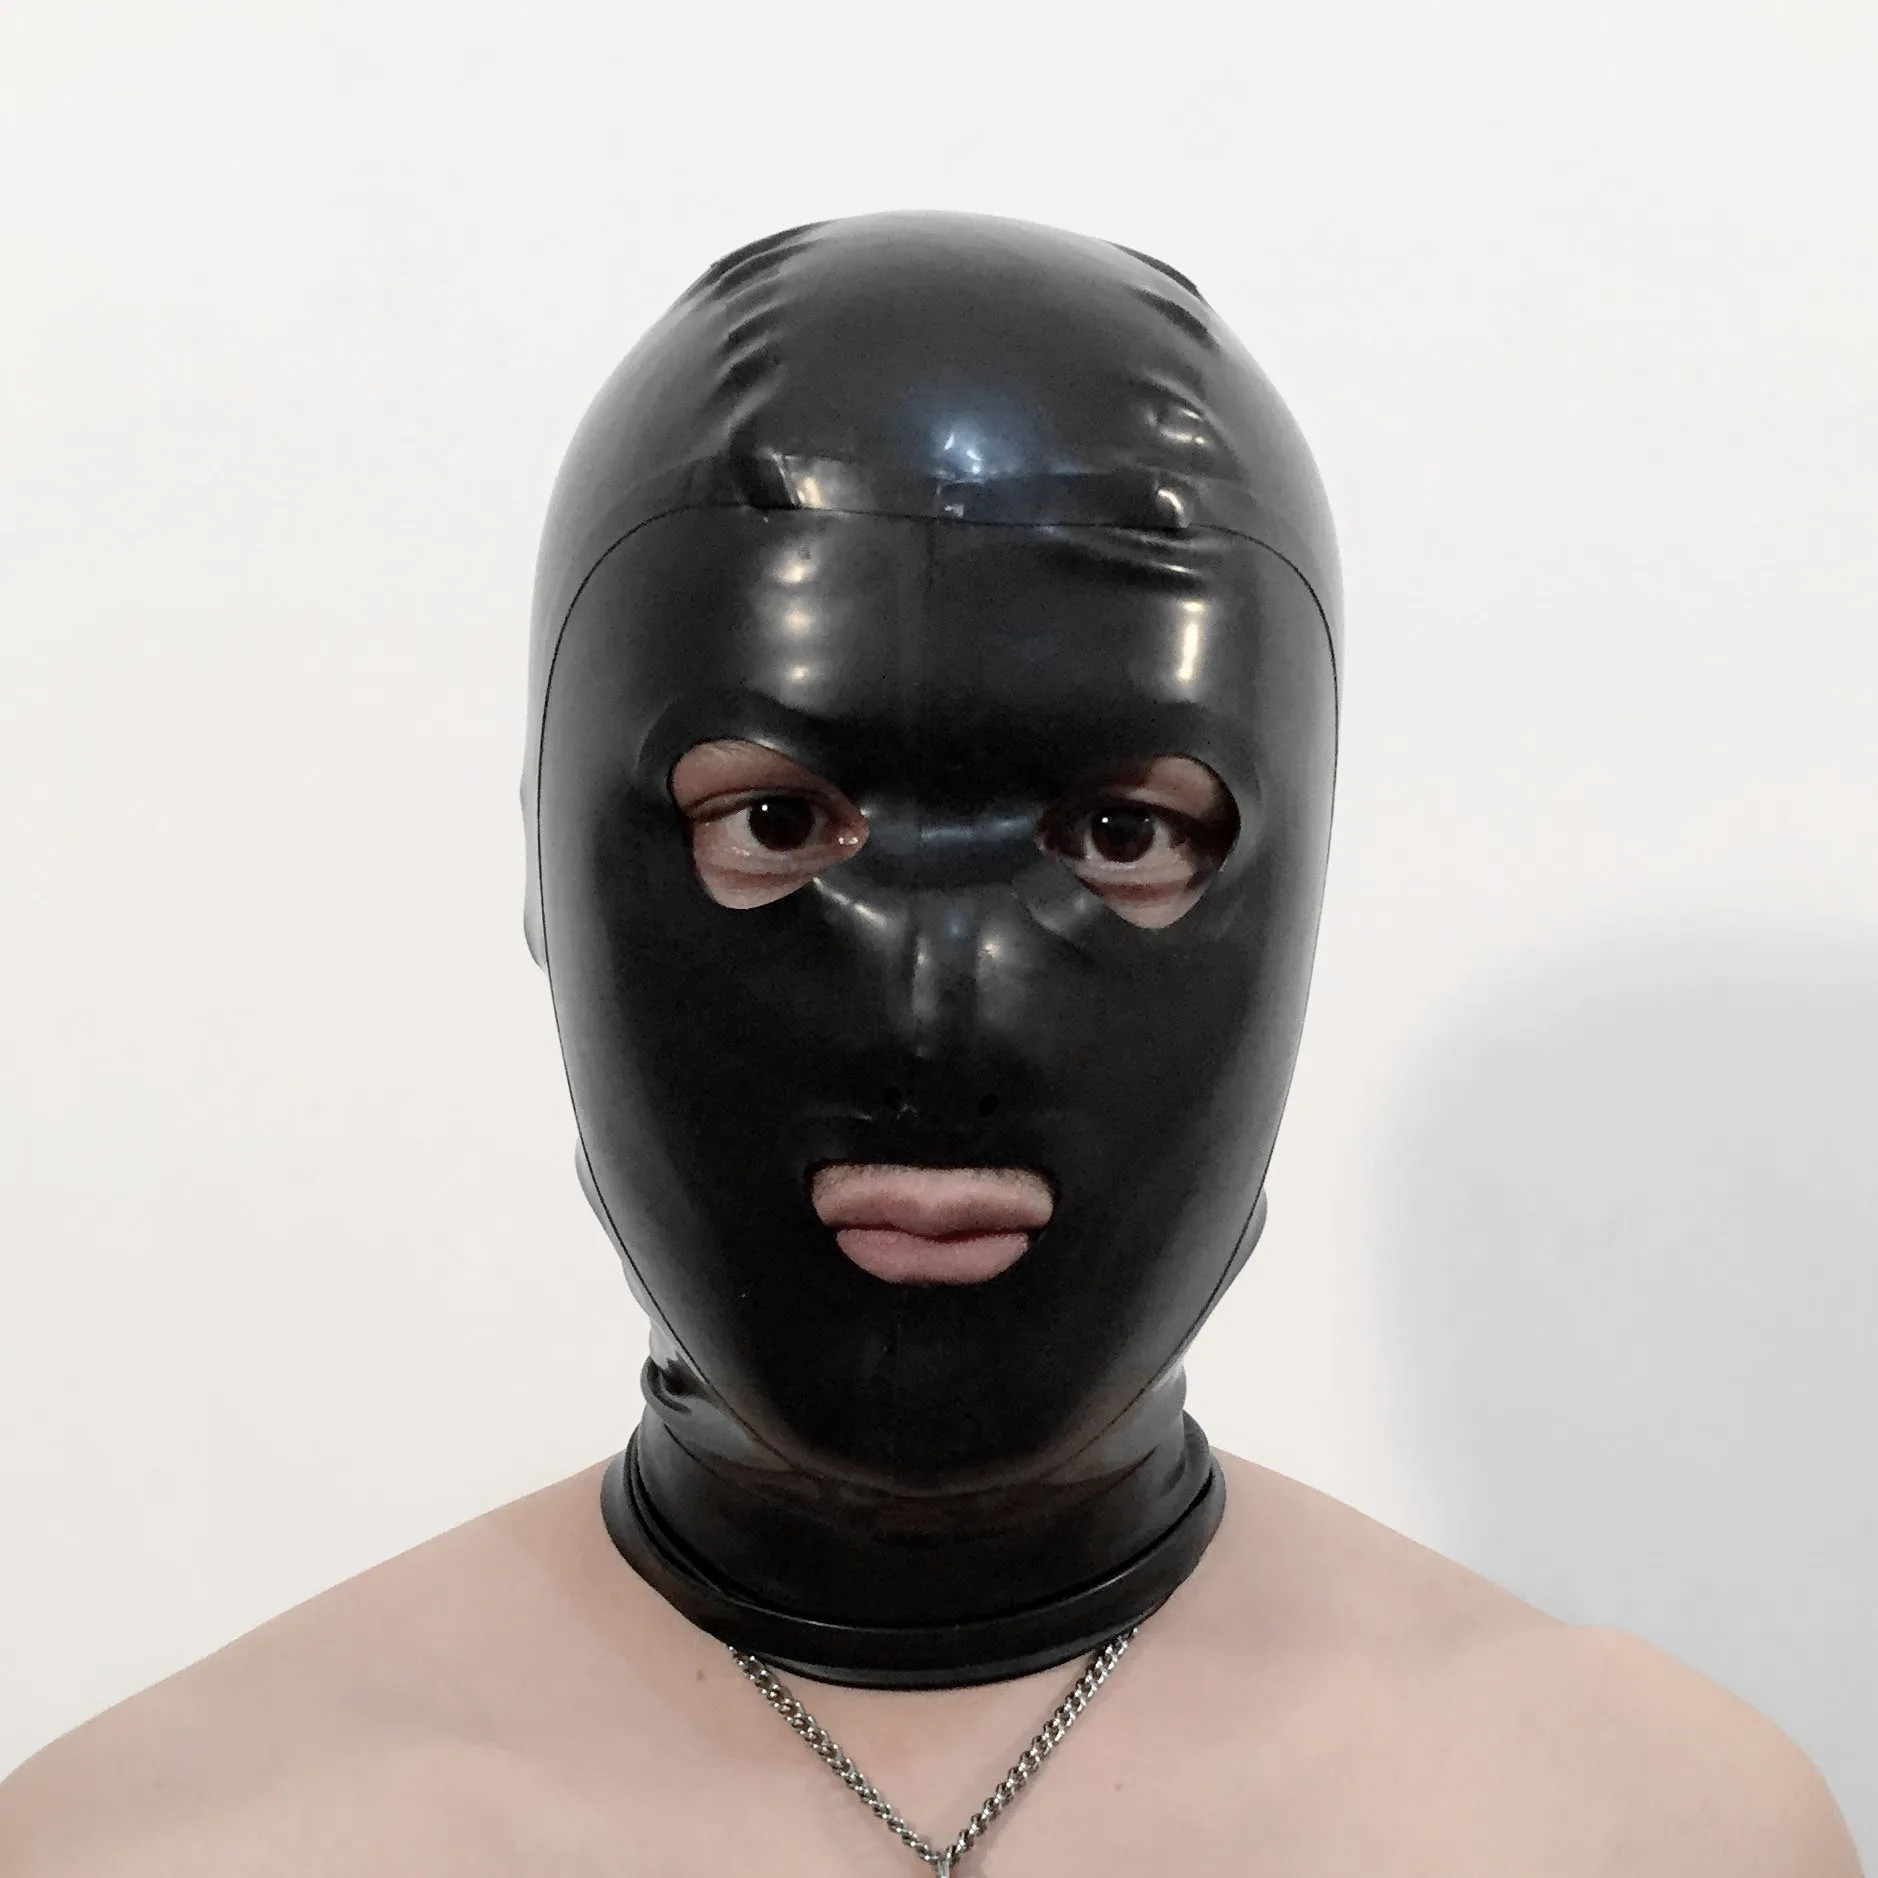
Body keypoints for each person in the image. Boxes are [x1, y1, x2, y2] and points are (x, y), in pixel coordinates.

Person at [0, 212, 1859, 1877]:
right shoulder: (158, 1847)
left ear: (1289, 894)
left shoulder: (1645, 1832)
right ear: (557, 878)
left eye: (1120, 833)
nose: (936, 1012)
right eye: (777, 824)